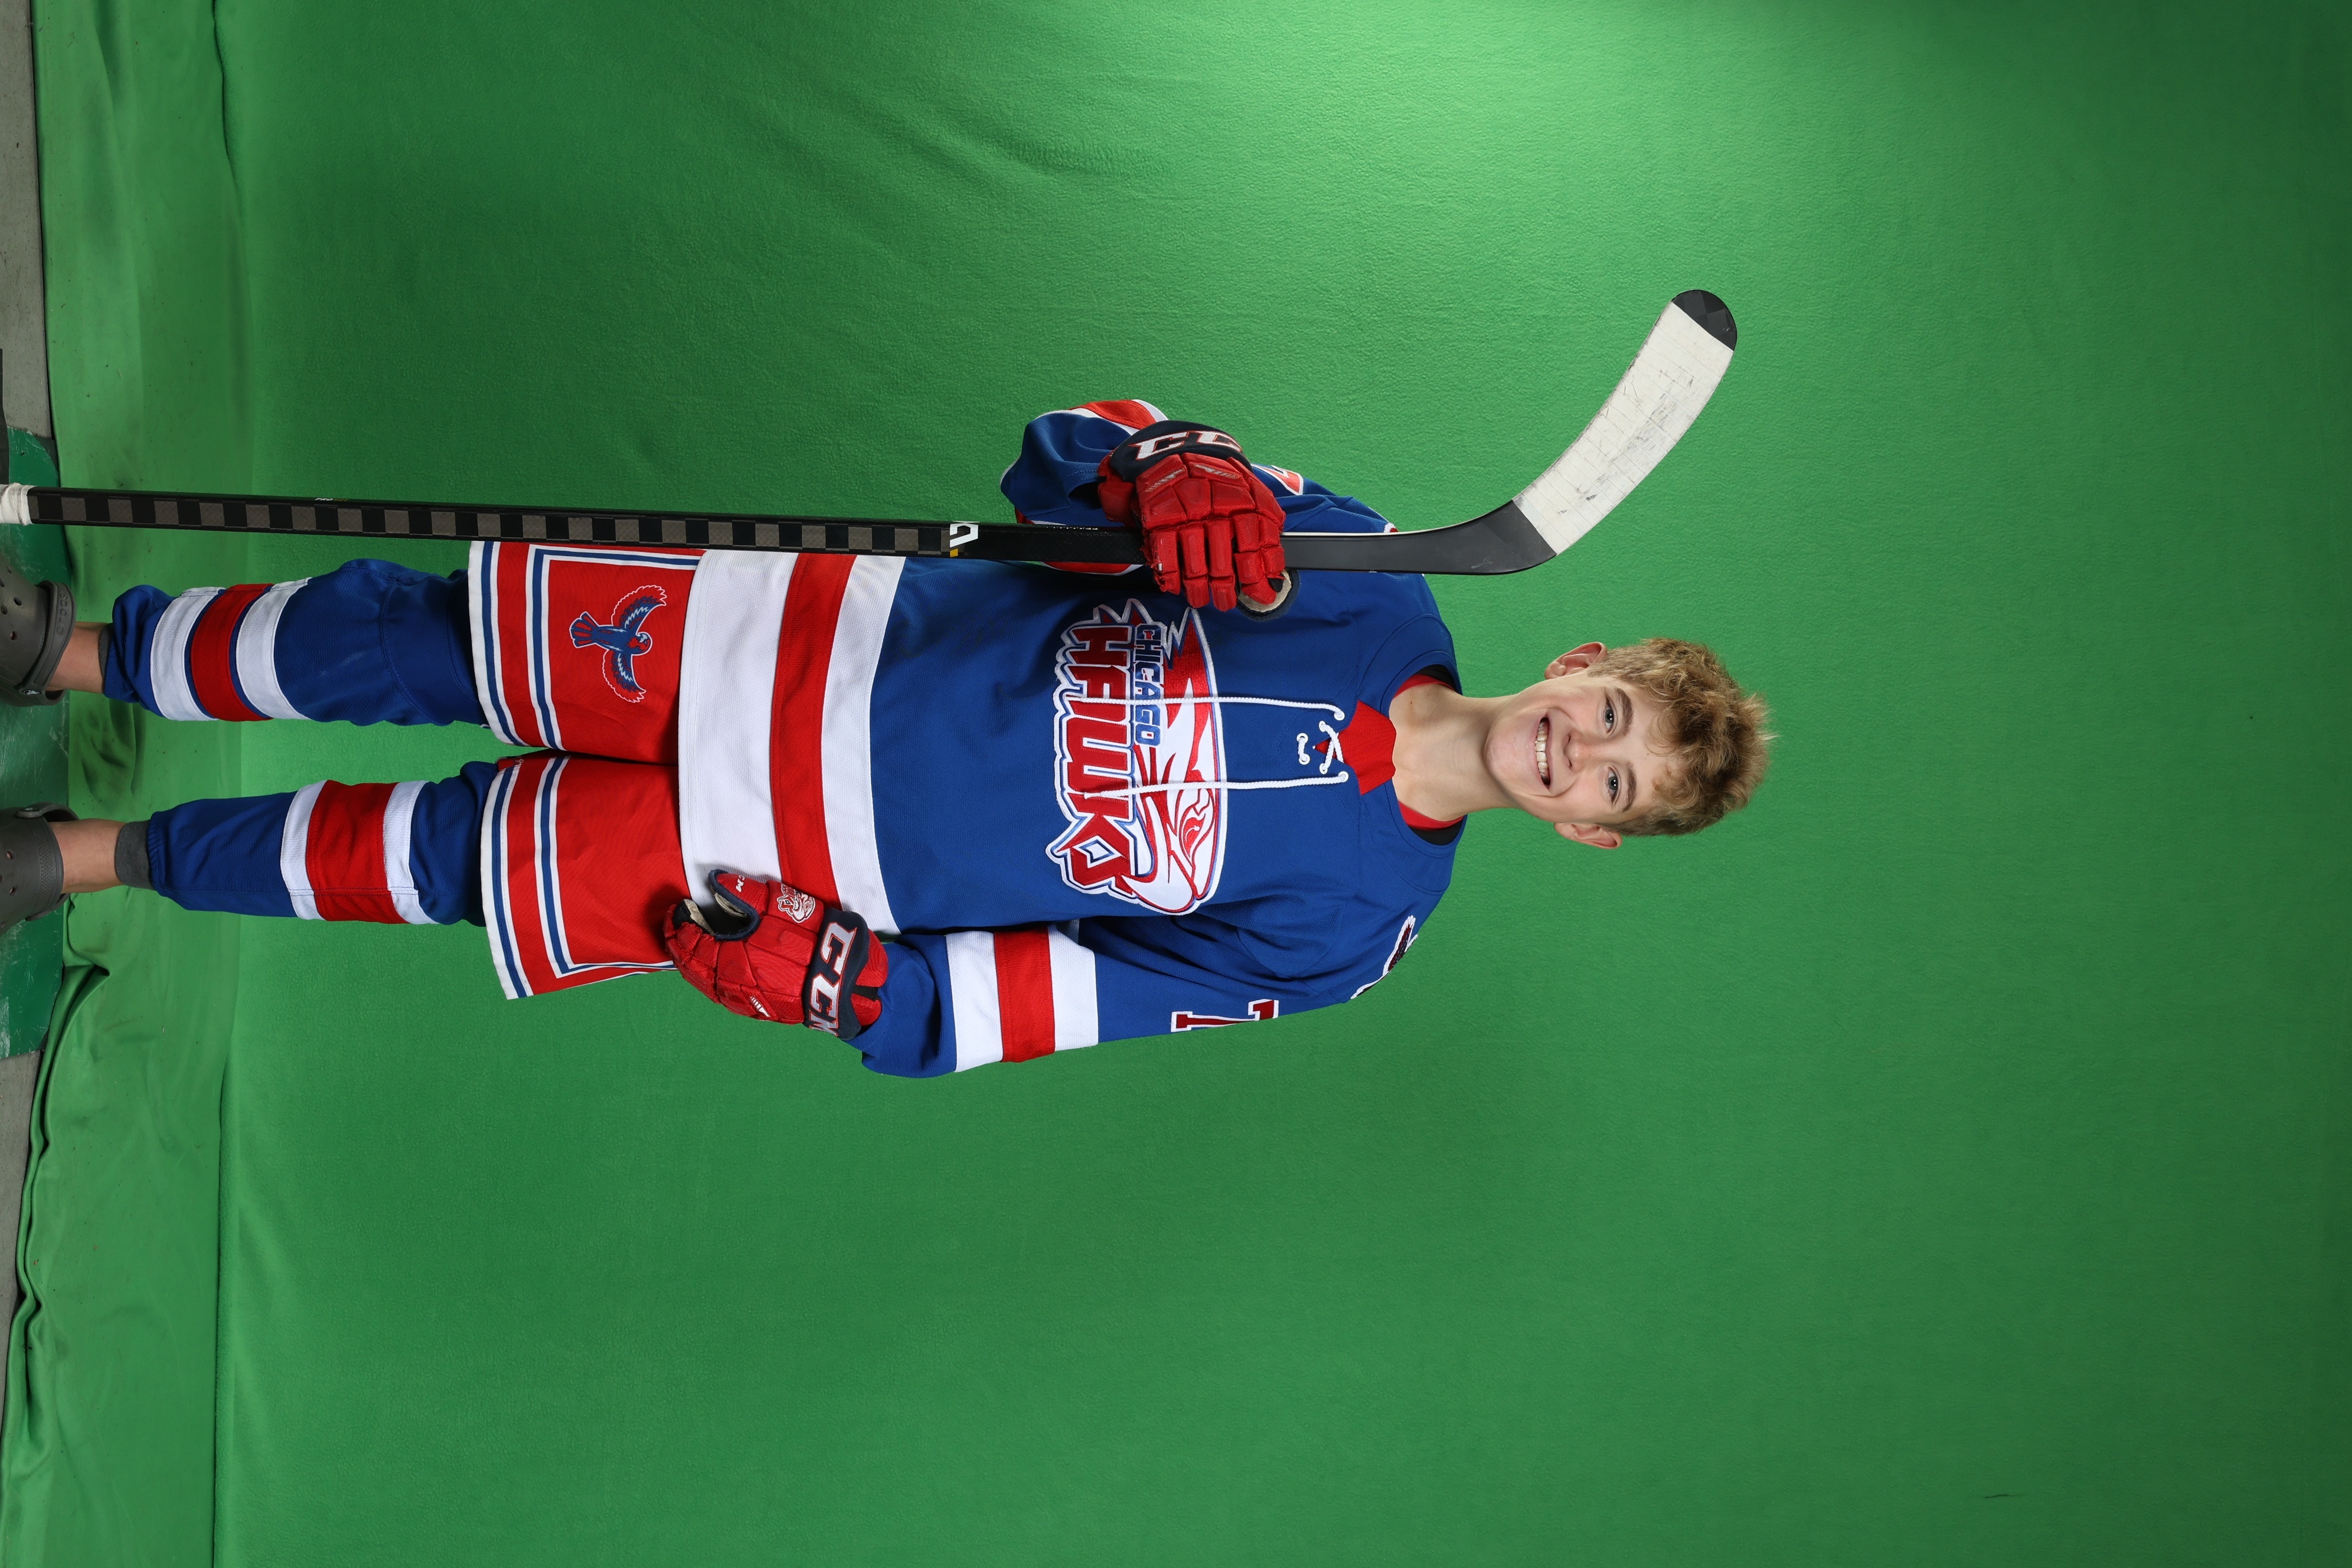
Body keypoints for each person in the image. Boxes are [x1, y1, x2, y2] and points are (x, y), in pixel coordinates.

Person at [0, 401, 1770, 1076]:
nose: (1581, 754)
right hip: (794, 643)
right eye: (1608, 715)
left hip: (786, 861)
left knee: (426, 860)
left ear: (1591, 835)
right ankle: (73, 654)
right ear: (1580, 660)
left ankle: (82, 858)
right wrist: (1165, 467)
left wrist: (867, 997)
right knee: (410, 636)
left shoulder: (1354, 935)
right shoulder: (1369, 574)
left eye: (1614, 785)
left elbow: (1079, 993)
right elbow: (1065, 445)